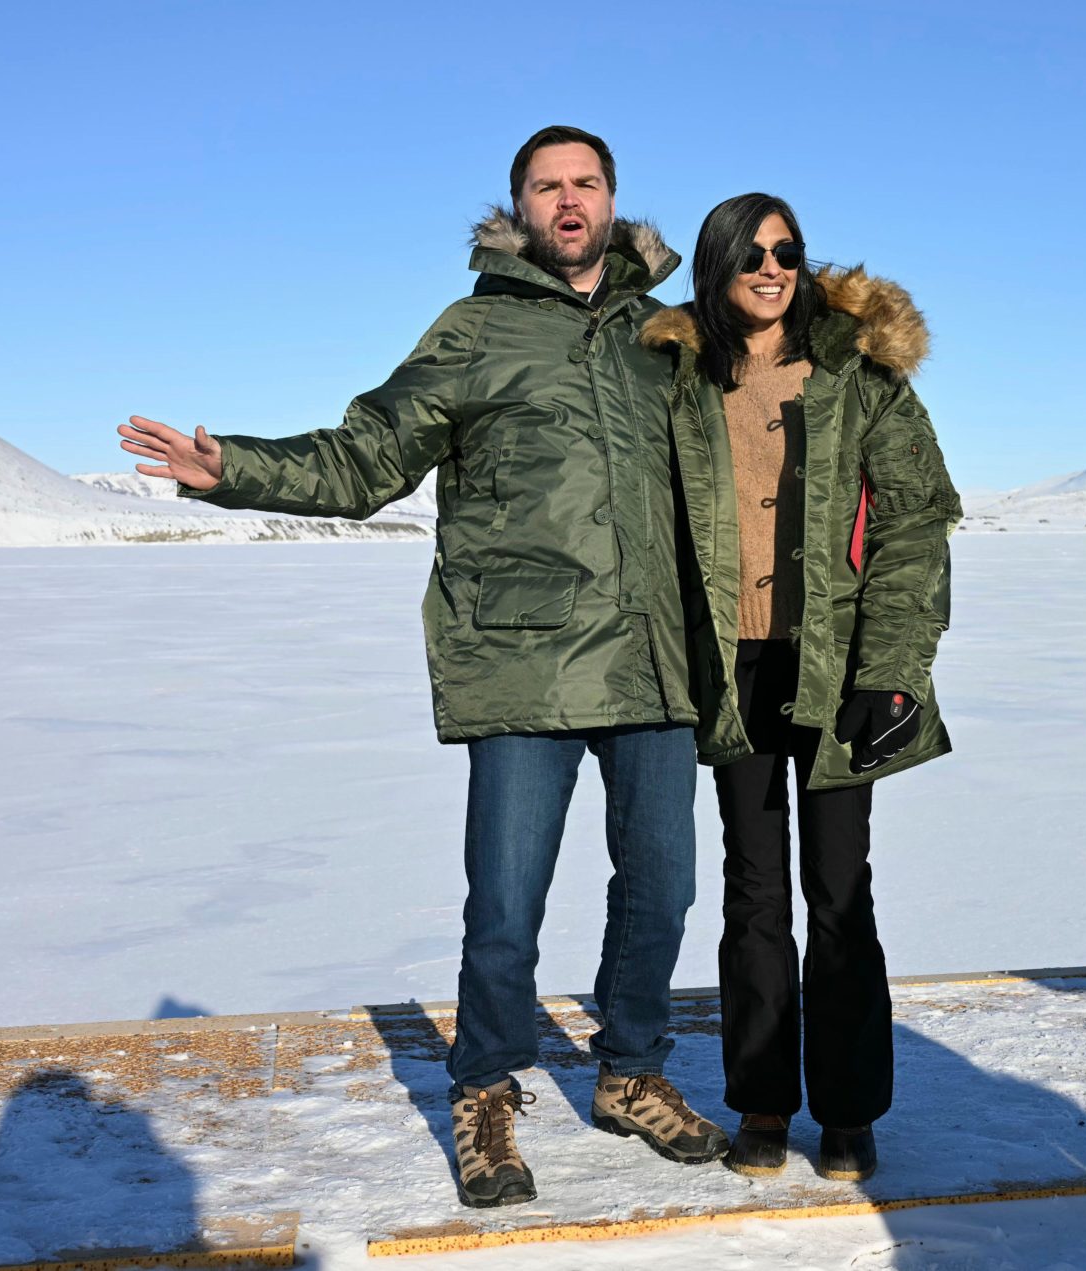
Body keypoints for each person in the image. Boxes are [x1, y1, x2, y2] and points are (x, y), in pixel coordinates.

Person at [116, 126, 728, 1210]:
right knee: (504, 902)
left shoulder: (668, 334)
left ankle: (632, 1072)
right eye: (548, 186)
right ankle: (485, 1088)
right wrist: (231, 469)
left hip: (655, 660)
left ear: (616, 201)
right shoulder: (475, 330)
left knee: (665, 888)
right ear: (520, 210)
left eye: (586, 182)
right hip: (520, 662)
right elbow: (367, 456)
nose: (569, 200)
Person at [641, 194, 962, 1182]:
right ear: (718, 267)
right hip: (729, 669)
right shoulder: (677, 379)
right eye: (752, 254)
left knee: (839, 889)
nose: (772, 267)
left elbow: (914, 522)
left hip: (836, 670)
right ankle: (765, 1102)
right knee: (753, 893)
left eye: (787, 252)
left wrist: (894, 672)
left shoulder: (860, 375)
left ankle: (852, 1109)